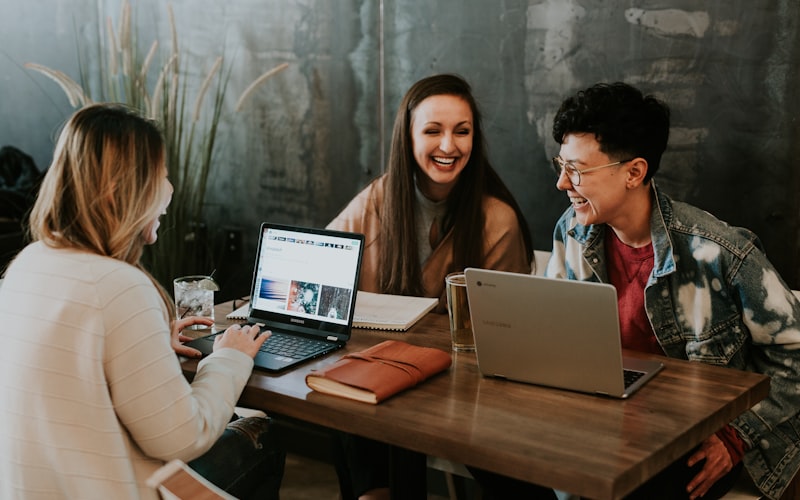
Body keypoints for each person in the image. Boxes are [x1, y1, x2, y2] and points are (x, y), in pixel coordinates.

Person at [0, 103, 285, 499]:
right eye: (162, 176)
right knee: (262, 434)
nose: (169, 191)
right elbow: (182, 438)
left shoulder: (26, 265)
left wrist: (147, 343)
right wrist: (229, 357)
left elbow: (66, 375)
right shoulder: (119, 285)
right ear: (124, 191)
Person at [546, 82, 800, 500]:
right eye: (561, 164)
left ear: (634, 172)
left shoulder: (719, 252)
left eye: (576, 170)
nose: (561, 183)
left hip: (691, 441)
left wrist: (736, 438)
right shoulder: (571, 232)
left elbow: (794, 353)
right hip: (602, 427)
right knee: (495, 462)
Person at [328, 74, 550, 500]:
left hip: (465, 393)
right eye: (433, 130)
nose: (449, 146)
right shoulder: (377, 199)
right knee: (351, 406)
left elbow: (508, 339)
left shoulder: (495, 220)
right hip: (383, 378)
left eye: (461, 131)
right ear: (407, 138)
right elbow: (322, 272)